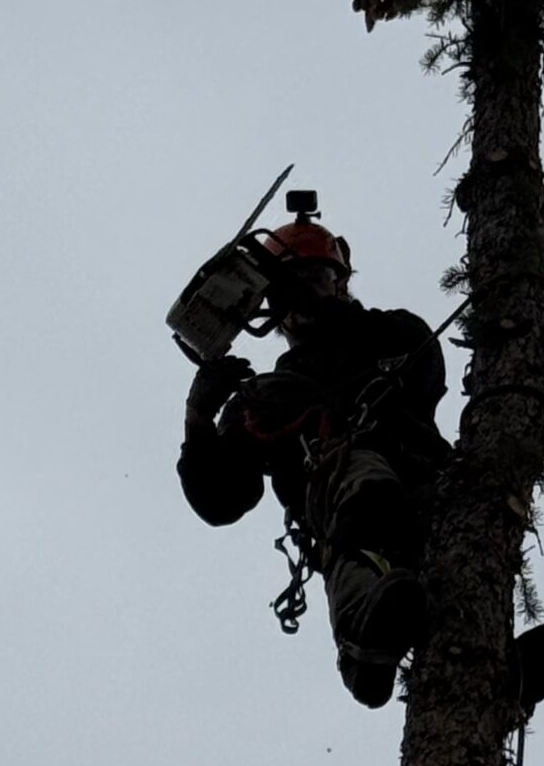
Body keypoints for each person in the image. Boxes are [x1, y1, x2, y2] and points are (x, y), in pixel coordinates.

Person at [178, 207, 448, 707]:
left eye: (312, 278)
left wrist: (333, 315)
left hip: (432, 493)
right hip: (349, 501)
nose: (297, 295)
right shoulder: (265, 396)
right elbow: (220, 499)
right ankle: (360, 637)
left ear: (339, 283)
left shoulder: (390, 337)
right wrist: (199, 417)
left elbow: (426, 366)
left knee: (458, 565)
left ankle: (484, 662)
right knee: (365, 482)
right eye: (284, 287)